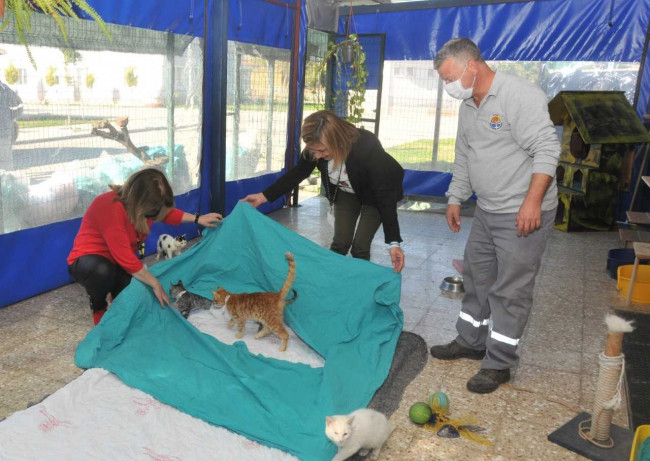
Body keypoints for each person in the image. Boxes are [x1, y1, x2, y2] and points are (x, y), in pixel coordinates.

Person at [428, 38, 560, 394]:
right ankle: (471, 341)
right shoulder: (469, 106)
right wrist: (455, 198)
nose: (448, 86)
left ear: (472, 65)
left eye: (449, 77)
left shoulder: (519, 95)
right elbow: (464, 157)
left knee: (511, 289)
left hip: (522, 211)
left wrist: (532, 202)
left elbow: (548, 148)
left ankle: (499, 362)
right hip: (487, 210)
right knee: (477, 276)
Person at [241, 110, 406, 273]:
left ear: (337, 140)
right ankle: (328, 280)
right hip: (345, 191)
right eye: (314, 151)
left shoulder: (366, 146)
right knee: (340, 242)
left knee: (360, 247)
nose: (318, 156)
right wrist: (263, 197)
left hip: (375, 195)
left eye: (322, 151)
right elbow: (298, 173)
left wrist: (393, 243)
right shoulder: (315, 149)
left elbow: (385, 195)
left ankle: (360, 286)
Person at [67, 168, 223, 325]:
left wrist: (198, 218)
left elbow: (167, 214)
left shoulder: (145, 208)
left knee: (134, 291)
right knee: (103, 272)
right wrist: (155, 283)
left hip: (117, 263)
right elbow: (125, 258)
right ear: (141, 203)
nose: (155, 215)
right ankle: (98, 308)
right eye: (153, 211)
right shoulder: (110, 206)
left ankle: (118, 302)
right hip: (87, 261)